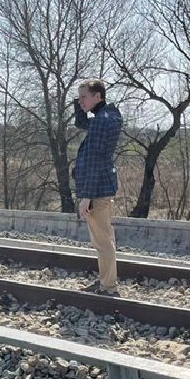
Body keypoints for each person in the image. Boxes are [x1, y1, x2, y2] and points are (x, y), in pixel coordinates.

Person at [73, 78, 122, 296]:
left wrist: (86, 196)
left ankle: (108, 287)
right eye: (79, 97)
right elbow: (82, 123)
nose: (81, 101)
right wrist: (79, 104)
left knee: (102, 242)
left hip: (97, 190)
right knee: (104, 239)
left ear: (97, 96)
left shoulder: (102, 121)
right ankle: (105, 281)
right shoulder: (106, 117)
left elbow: (94, 160)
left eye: (84, 97)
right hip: (101, 186)